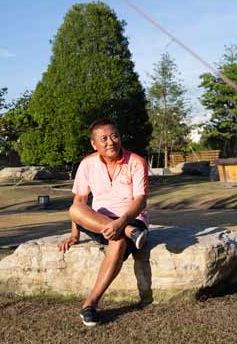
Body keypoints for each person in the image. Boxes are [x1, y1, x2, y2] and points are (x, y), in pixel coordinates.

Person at [58, 118, 149, 327]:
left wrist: (122, 222)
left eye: (114, 136)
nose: (111, 142)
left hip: (132, 219)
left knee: (117, 240)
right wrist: (74, 236)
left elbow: (140, 200)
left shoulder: (136, 161)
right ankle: (128, 232)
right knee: (74, 209)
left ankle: (90, 304)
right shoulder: (87, 164)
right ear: (94, 144)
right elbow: (79, 202)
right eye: (104, 138)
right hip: (102, 221)